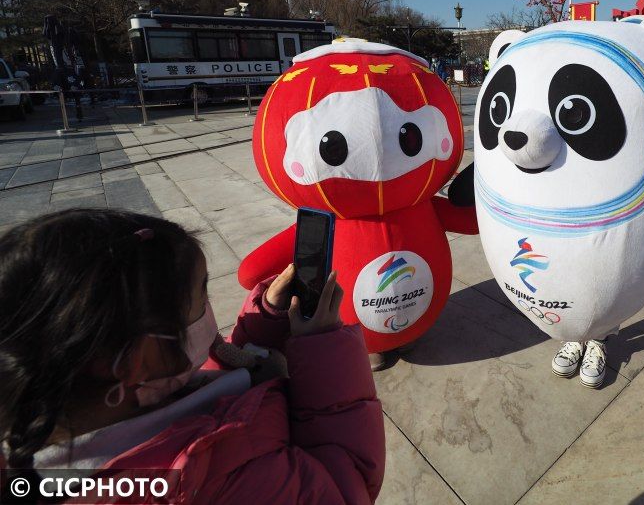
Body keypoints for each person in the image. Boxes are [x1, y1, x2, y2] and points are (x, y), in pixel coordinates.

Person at [0, 209, 385, 504]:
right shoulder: (215, 480)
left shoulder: (94, 417)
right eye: (201, 296)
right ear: (137, 361)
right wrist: (323, 347)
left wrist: (267, 319)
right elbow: (346, 481)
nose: (208, 307)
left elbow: (196, 378)